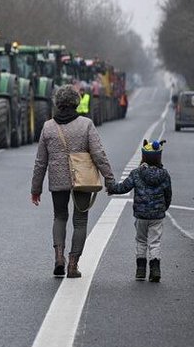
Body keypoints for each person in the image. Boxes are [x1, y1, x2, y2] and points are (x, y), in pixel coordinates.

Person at [31, 86, 116, 278]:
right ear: (76, 102)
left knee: (59, 217)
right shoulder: (86, 125)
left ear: (57, 103)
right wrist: (109, 179)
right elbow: (99, 155)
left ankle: (58, 258)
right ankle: (72, 265)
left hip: (57, 179)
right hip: (82, 179)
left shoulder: (48, 127)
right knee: (80, 221)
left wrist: (36, 188)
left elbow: (40, 162)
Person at [108, 139, 172, 282]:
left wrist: (111, 188)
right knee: (155, 241)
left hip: (141, 215)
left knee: (141, 240)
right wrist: (163, 208)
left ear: (143, 157)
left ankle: (141, 270)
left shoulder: (137, 173)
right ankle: (155, 269)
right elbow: (168, 194)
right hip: (157, 215)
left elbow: (124, 187)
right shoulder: (165, 175)